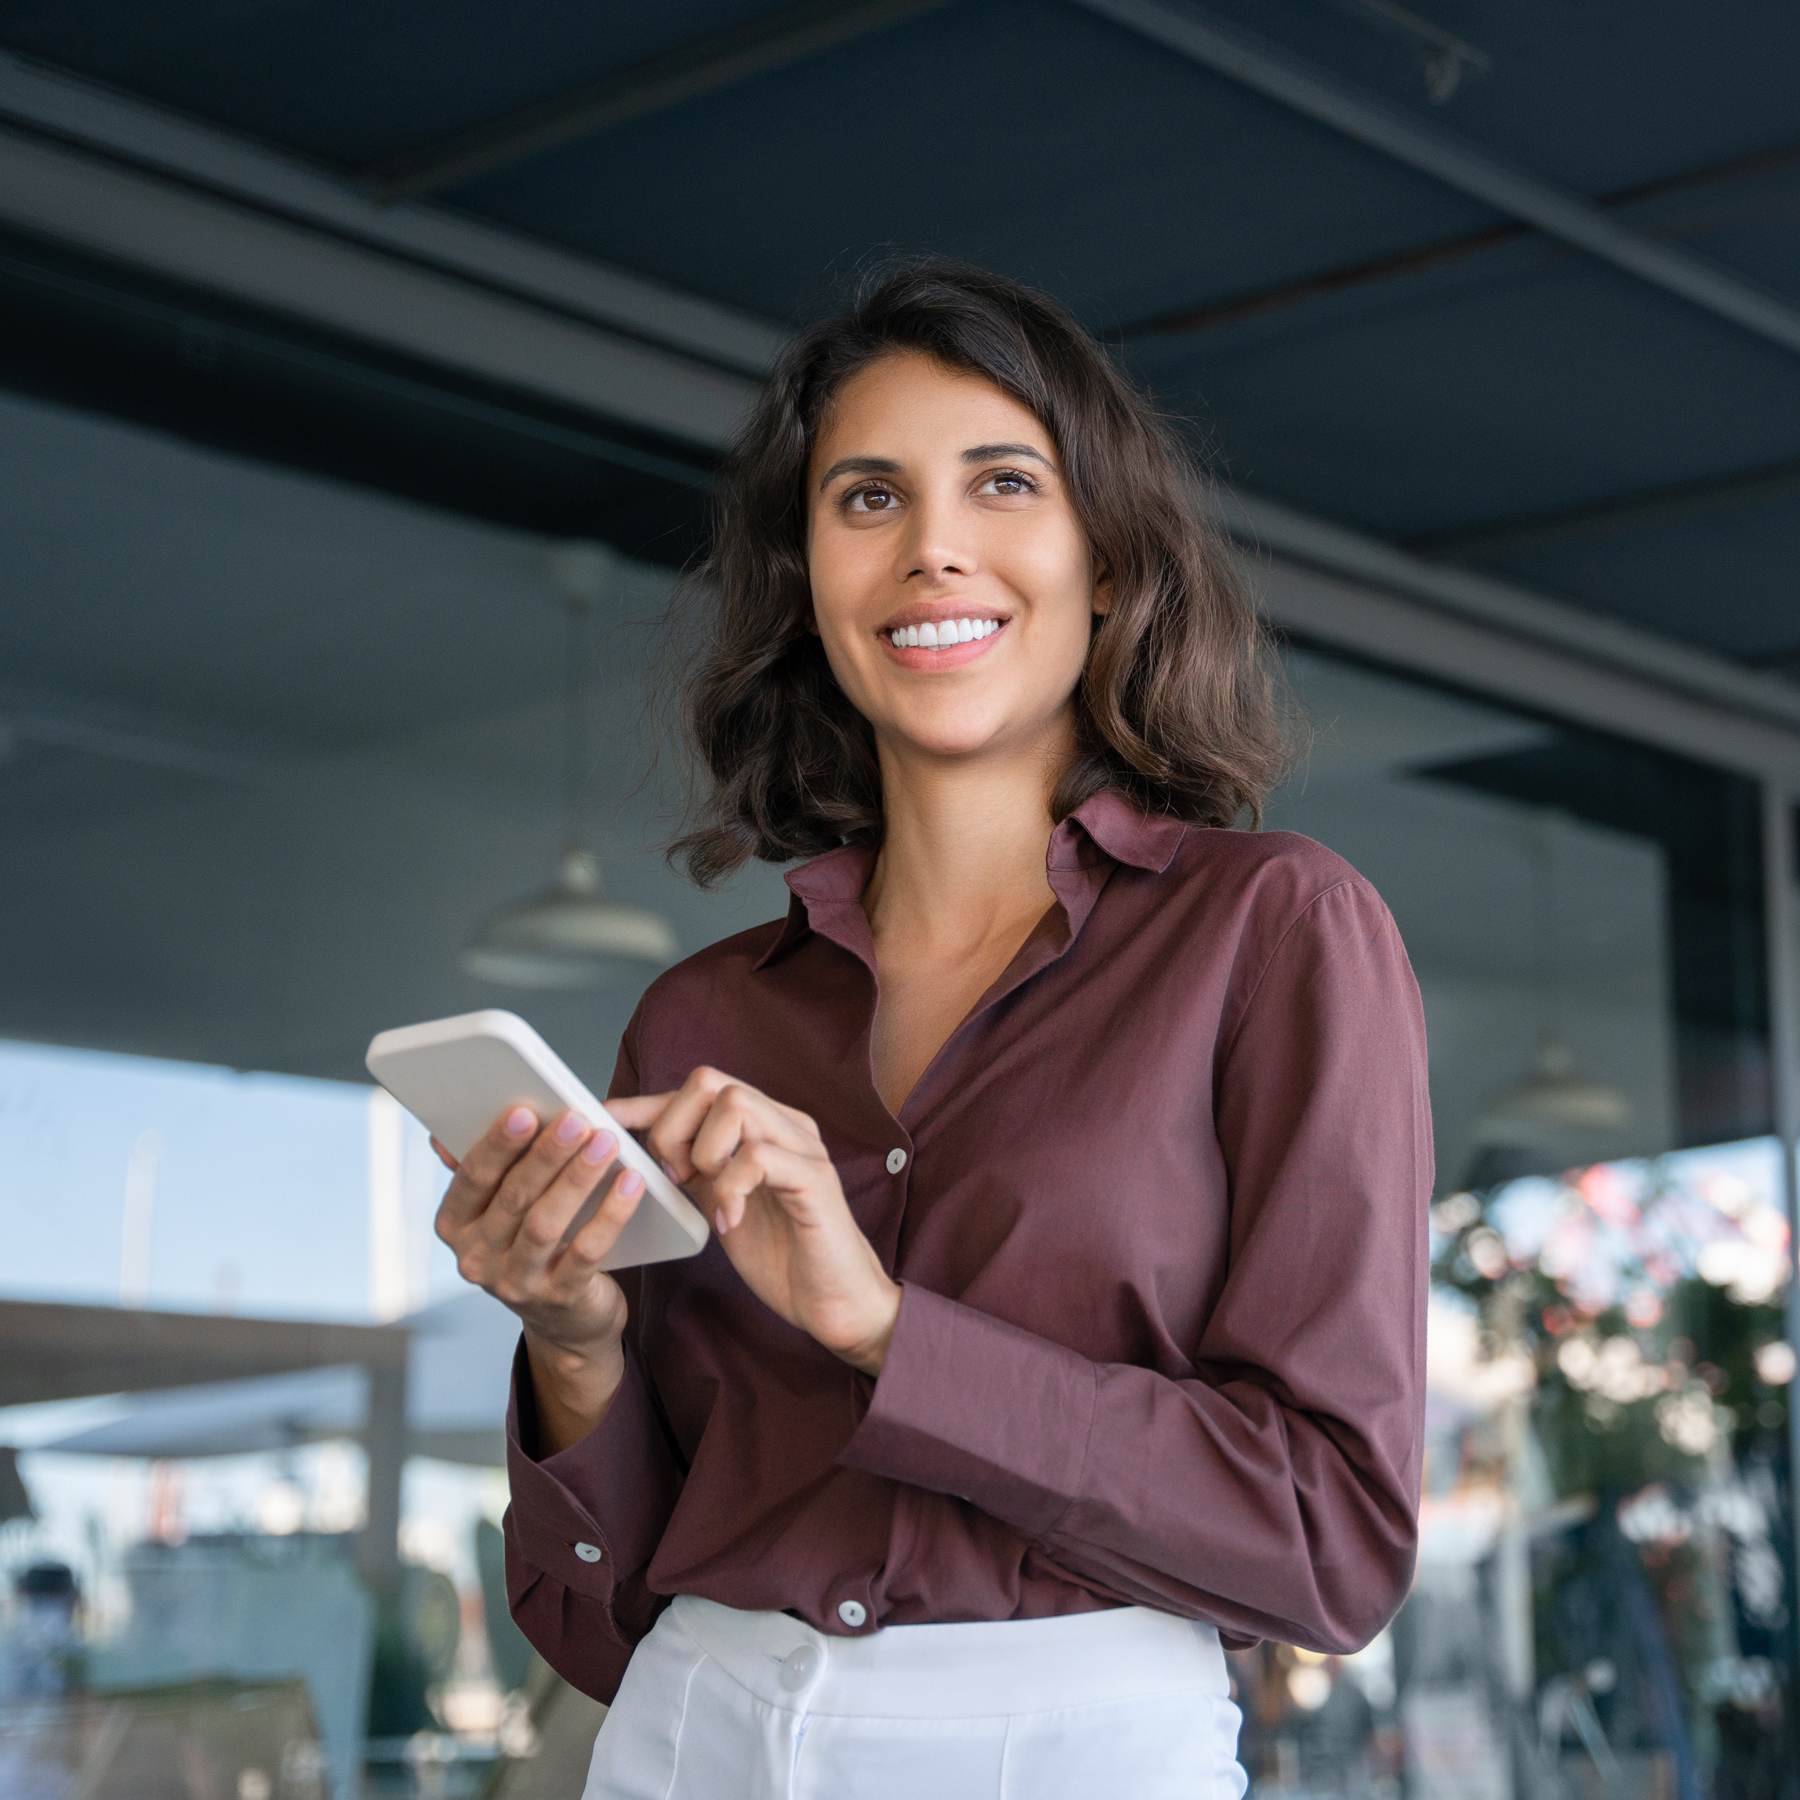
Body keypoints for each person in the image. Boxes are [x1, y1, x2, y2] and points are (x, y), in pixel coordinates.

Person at [435, 262, 1431, 1799]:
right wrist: (572, 1340)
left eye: (1004, 483)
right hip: (692, 1733)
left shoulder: (1272, 932)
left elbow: (1332, 1539)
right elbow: (601, 1609)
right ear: (810, 575)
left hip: (1075, 1745)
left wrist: (888, 1332)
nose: (933, 549)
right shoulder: (703, 1017)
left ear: (1106, 562)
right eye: (868, 499)